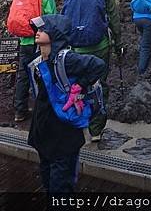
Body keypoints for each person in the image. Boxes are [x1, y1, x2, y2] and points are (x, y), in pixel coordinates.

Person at [28, 14, 105, 193]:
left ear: (55, 33)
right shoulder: (39, 60)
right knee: (48, 182)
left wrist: (79, 86)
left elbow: (98, 65)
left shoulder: (67, 59)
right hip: (44, 131)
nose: (37, 33)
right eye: (37, 29)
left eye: (42, 29)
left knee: (61, 187)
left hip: (64, 134)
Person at [62, 0, 122, 142]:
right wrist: (118, 44)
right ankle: (96, 130)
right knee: (98, 85)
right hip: (99, 48)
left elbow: (64, 16)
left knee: (77, 86)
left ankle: (78, 125)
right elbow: (114, 20)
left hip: (76, 49)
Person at [14, 0, 57, 122]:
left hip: (24, 42)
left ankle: (20, 111)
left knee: (23, 76)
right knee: (42, 74)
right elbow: (52, 20)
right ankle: (42, 111)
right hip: (38, 42)